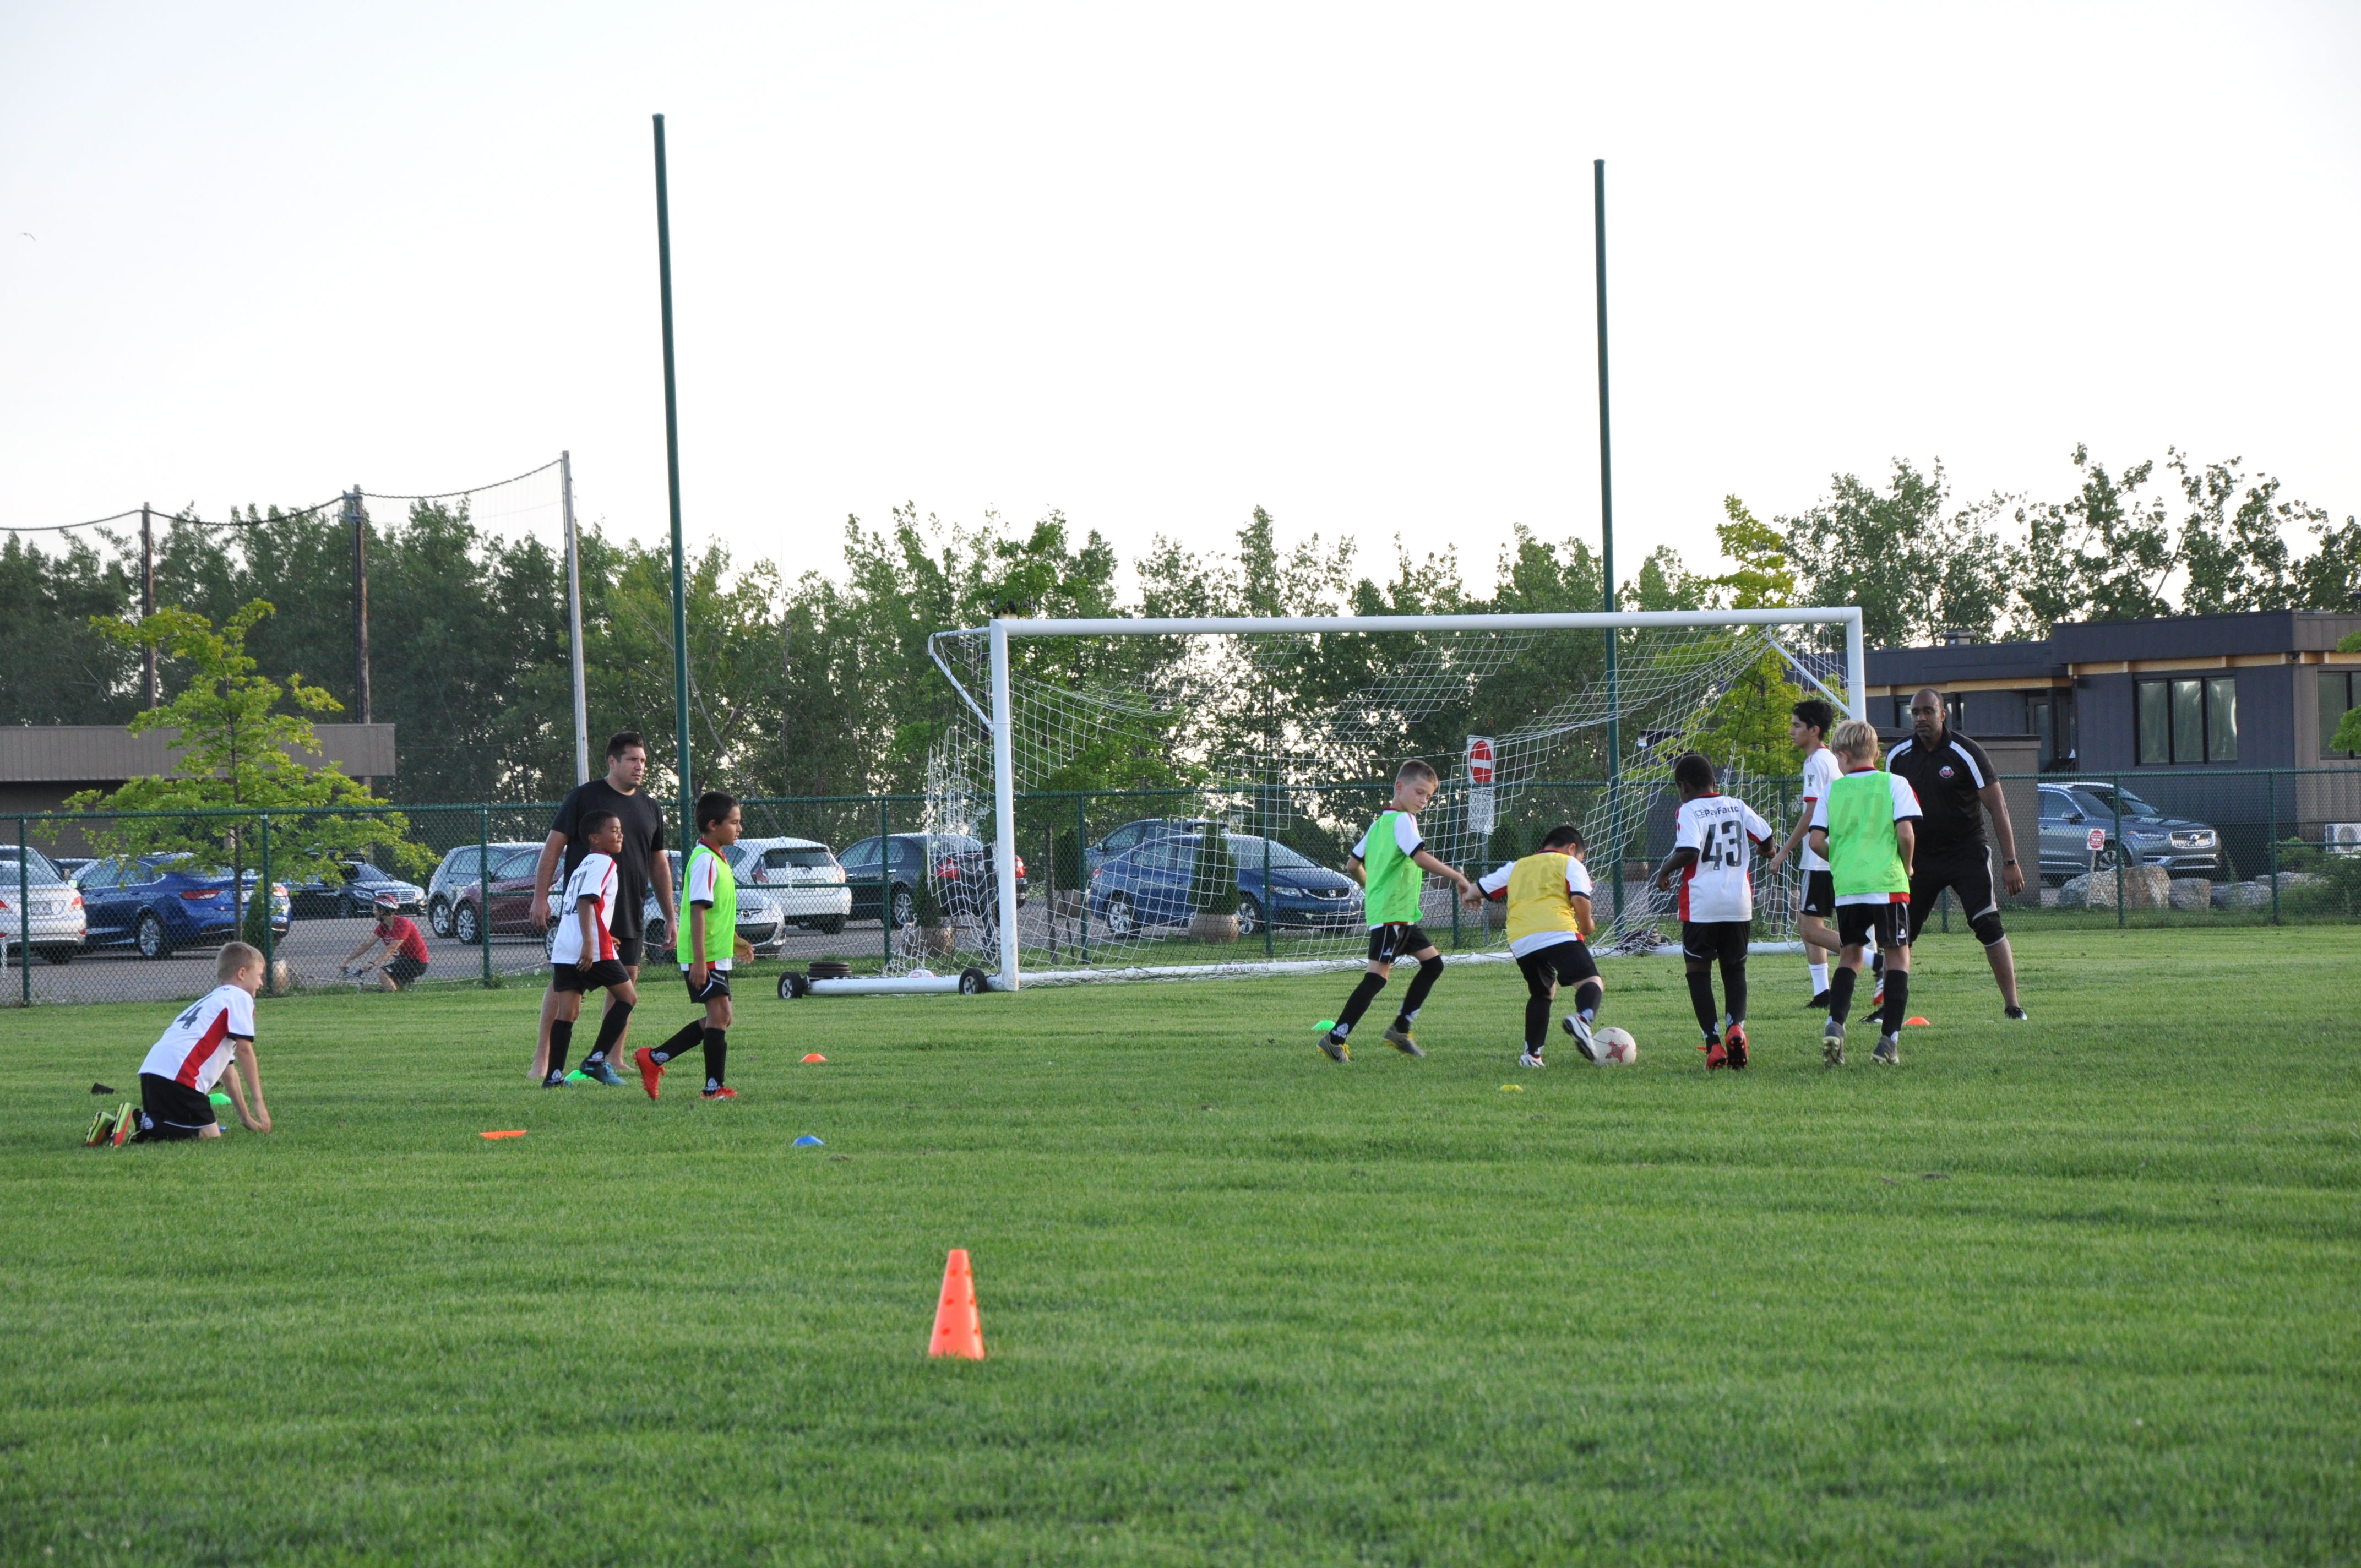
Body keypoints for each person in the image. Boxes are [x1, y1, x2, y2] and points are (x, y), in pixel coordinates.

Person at [527, 732, 677, 1080]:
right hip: (587, 912)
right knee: (566, 986)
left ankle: (612, 1057)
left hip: (627, 909)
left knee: (627, 980)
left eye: (643, 761)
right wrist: (539, 896)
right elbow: (553, 849)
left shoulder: (651, 807)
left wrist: (671, 915)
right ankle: (543, 1059)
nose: (640, 767)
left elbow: (658, 863)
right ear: (612, 762)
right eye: (632, 760)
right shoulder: (584, 798)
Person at [1319, 759, 1482, 1062]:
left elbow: (1353, 865)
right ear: (1400, 787)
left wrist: (1372, 890)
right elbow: (1419, 858)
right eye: (1420, 792)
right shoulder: (1402, 821)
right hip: (1392, 915)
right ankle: (1335, 1038)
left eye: (1429, 796)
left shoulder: (1379, 823)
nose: (1423, 801)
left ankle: (1400, 1029)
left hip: (1399, 915)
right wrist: (1459, 877)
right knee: (1376, 978)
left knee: (1434, 965)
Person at [1885, 688, 2028, 1021]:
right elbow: (1887, 813)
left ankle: (2013, 1005)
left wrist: (2010, 862)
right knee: (1900, 934)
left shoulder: (1967, 752)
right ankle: (1886, 1010)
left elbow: (1999, 808)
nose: (1921, 718)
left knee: (1987, 923)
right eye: (1915, 713)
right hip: (1918, 859)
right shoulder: (1899, 756)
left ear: (1943, 713)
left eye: (1927, 712)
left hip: (1966, 852)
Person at [1808, 718, 1922, 1065]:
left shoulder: (1832, 791)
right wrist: (1907, 866)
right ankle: (1888, 1042)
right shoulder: (1896, 784)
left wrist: (1841, 861)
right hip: (1887, 885)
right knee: (1897, 957)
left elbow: (1816, 841)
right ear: (1874, 752)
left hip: (1848, 887)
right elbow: (1905, 834)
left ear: (1843, 756)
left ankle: (1836, 1024)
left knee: (1850, 956)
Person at [1651, 752, 1774, 1069]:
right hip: (1738, 904)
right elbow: (1767, 838)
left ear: (1684, 786)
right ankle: (1736, 1027)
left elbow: (1690, 850)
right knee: (1735, 969)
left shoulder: (1688, 809)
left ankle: (1714, 1044)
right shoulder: (1738, 805)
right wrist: (1766, 851)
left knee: (1698, 972)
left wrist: (1664, 870)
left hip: (1702, 905)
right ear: (1714, 782)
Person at [88, 941, 273, 1145]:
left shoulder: (212, 1000)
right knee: (209, 1134)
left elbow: (228, 1071)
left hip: (153, 1073)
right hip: (181, 1077)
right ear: (242, 973)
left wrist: (245, 1118)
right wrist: (259, 1102)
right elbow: (246, 1050)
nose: (261, 983)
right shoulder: (240, 998)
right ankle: (138, 1121)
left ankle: (115, 1125)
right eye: (259, 975)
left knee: (171, 1126)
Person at [634, 791, 742, 1101]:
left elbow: (718, 913)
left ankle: (654, 1059)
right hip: (704, 956)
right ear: (713, 824)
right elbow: (697, 910)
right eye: (734, 823)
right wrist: (698, 961)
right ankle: (713, 1089)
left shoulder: (718, 859)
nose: (739, 828)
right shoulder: (705, 861)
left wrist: (736, 942)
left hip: (714, 955)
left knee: (721, 1018)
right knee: (720, 1016)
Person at [1476, 823, 1606, 1068]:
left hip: (1521, 940)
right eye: (1581, 857)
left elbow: (1478, 890)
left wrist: (1468, 894)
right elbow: (1579, 897)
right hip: (1557, 931)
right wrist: (1587, 925)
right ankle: (1583, 1019)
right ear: (1572, 849)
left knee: (1543, 993)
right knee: (1591, 982)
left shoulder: (1517, 867)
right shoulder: (1571, 864)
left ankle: (1532, 1056)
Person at [542, 810, 639, 1088]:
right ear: (595, 838)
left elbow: (583, 907)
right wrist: (591, 943)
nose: (620, 834)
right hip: (590, 948)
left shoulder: (583, 865)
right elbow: (587, 902)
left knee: (568, 1014)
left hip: (565, 946)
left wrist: (603, 934)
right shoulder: (604, 863)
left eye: (620, 829)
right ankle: (596, 1060)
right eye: (613, 830)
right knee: (627, 999)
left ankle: (554, 1077)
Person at [1762, 698, 1843, 1007]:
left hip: (1821, 856)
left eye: (1797, 725)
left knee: (1809, 928)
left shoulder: (1815, 763)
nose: (1790, 731)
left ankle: (1875, 961)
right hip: (1830, 854)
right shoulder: (1828, 760)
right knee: (1808, 924)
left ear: (1814, 730)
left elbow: (1811, 815)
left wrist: (1782, 852)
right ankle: (1822, 993)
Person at [340, 890, 431, 990]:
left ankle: (391, 996)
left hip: (416, 963)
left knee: (383, 973)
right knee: (391, 983)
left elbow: (392, 948)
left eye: (375, 909)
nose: (373, 912)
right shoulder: (384, 926)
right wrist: (347, 961)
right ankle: (388, 991)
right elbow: (366, 944)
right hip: (403, 961)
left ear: (382, 911)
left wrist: (373, 963)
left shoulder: (403, 924)